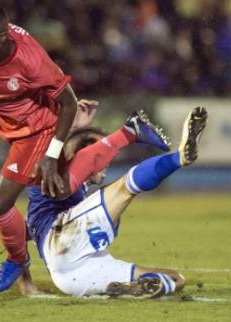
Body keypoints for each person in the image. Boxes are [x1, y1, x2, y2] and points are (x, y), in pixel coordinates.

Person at [0, 3, 166, 294]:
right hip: (12, 129)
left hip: (38, 129)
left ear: (4, 37)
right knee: (60, 191)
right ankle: (128, 133)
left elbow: (68, 102)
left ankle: (16, 260)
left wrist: (50, 154)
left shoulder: (29, 57)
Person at [23, 106, 207, 298]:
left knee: (176, 279)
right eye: (102, 157)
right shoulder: (56, 176)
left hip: (72, 277)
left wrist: (24, 282)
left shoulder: (61, 193)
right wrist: (74, 129)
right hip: (61, 240)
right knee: (125, 187)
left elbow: (19, 236)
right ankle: (179, 158)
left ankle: (129, 290)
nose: (107, 162)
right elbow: (67, 149)